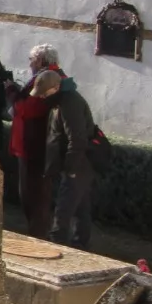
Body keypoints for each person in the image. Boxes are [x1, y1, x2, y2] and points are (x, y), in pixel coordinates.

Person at [7, 44, 73, 238]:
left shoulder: (48, 79)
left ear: (41, 61)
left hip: (35, 145)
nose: (30, 64)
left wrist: (11, 92)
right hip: (36, 144)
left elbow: (28, 109)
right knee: (34, 194)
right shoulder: (53, 76)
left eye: (32, 60)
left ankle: (37, 236)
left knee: (33, 195)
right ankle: (37, 232)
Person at [37, 69, 97, 250]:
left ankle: (57, 246)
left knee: (64, 209)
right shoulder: (61, 101)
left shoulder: (69, 103)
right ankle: (80, 245)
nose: (41, 97)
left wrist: (70, 169)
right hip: (78, 163)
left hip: (78, 164)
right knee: (80, 208)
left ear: (56, 88)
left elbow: (77, 139)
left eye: (44, 93)